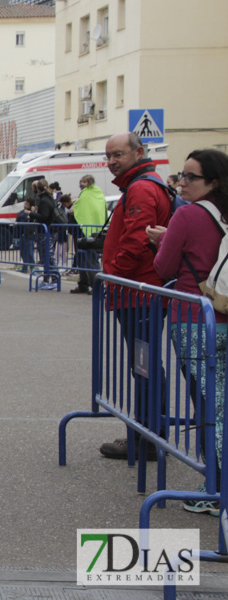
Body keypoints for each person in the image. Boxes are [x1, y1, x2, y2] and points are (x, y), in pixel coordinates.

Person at [145, 149, 228, 514]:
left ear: (212, 182)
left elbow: (163, 268)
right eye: (181, 175)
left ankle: (218, 489)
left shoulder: (188, 215)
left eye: (190, 177)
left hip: (194, 318)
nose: (182, 183)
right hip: (223, 315)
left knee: (210, 405)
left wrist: (162, 240)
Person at [97, 132, 173, 461]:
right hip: (139, 292)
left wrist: (113, 276)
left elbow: (135, 240)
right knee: (144, 366)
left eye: (118, 154)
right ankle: (149, 435)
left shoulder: (142, 187)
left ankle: (147, 439)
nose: (112, 161)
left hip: (139, 293)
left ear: (138, 152)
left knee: (143, 367)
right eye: (108, 156)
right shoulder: (143, 184)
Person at [70, 174, 106, 294]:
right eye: (81, 181)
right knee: (81, 259)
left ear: (89, 182)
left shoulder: (88, 194)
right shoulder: (96, 193)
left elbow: (80, 209)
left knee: (90, 260)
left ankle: (97, 285)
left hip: (89, 232)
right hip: (86, 231)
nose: (81, 184)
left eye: (84, 182)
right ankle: (83, 283)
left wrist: (73, 210)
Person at [29, 179, 59, 288]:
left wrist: (31, 213)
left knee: (48, 256)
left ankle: (54, 279)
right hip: (48, 230)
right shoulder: (50, 198)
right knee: (46, 256)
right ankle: (48, 279)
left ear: (38, 189)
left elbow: (44, 216)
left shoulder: (44, 200)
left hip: (46, 231)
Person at [15, 197, 37, 272]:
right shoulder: (22, 212)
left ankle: (32, 268)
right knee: (23, 252)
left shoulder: (32, 213)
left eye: (27, 204)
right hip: (22, 234)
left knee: (30, 252)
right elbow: (18, 219)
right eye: (25, 203)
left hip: (29, 234)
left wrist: (32, 211)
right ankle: (25, 267)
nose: (25, 205)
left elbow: (33, 220)